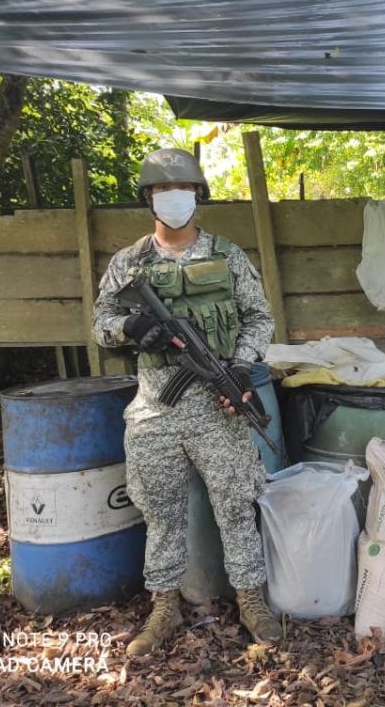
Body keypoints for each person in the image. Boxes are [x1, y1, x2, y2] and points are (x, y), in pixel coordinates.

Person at [92, 148, 281, 657]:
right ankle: (164, 606)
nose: (172, 198)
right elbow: (100, 325)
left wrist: (240, 367)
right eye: (160, 190)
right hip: (155, 406)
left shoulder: (229, 256)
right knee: (160, 512)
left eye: (183, 190)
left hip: (215, 410)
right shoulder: (128, 262)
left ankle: (250, 599)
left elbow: (260, 318)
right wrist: (129, 327)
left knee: (236, 507)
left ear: (198, 196)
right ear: (148, 198)